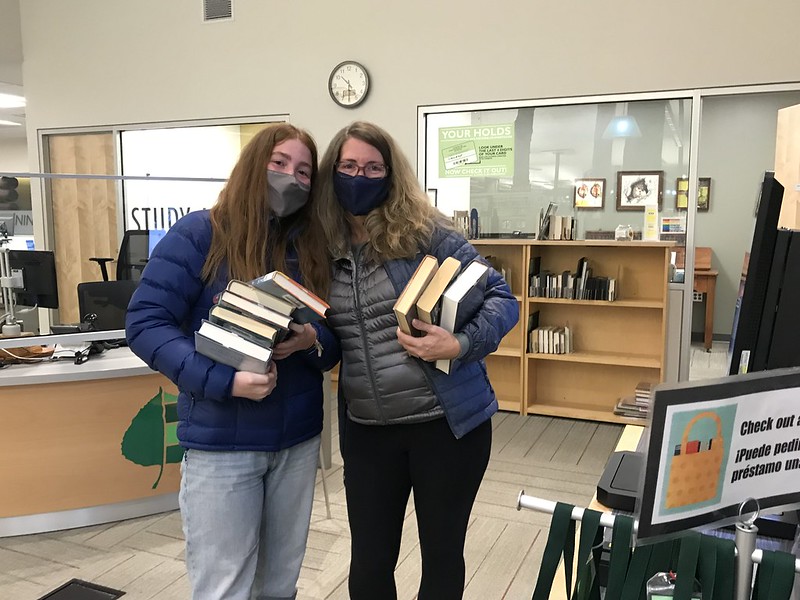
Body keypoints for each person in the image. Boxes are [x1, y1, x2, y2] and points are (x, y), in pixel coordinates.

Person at [126, 123, 340, 600]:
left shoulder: (310, 247)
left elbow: (333, 338)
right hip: (223, 443)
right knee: (224, 587)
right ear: (253, 165)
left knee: (279, 585)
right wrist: (226, 381)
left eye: (304, 171)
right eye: (279, 163)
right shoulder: (200, 233)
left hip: (297, 443)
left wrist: (310, 340)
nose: (291, 178)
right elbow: (145, 323)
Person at [315, 121, 519, 600]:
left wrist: (459, 344)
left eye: (373, 168)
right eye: (349, 166)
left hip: (444, 426)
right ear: (331, 172)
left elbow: (501, 298)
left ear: (390, 175)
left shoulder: (425, 233)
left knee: (441, 557)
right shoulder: (317, 246)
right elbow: (332, 339)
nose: (360, 177)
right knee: (369, 564)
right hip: (368, 430)